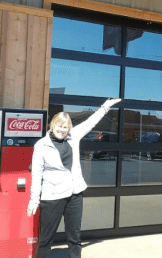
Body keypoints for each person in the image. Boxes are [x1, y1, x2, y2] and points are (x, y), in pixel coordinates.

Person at [27, 98, 121, 258]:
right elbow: (37, 174)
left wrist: (105, 107)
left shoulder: (73, 137)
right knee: (46, 238)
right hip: (52, 197)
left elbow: (90, 122)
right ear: (53, 125)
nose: (62, 129)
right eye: (59, 126)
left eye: (65, 127)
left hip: (74, 194)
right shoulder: (41, 145)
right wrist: (34, 200)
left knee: (75, 237)